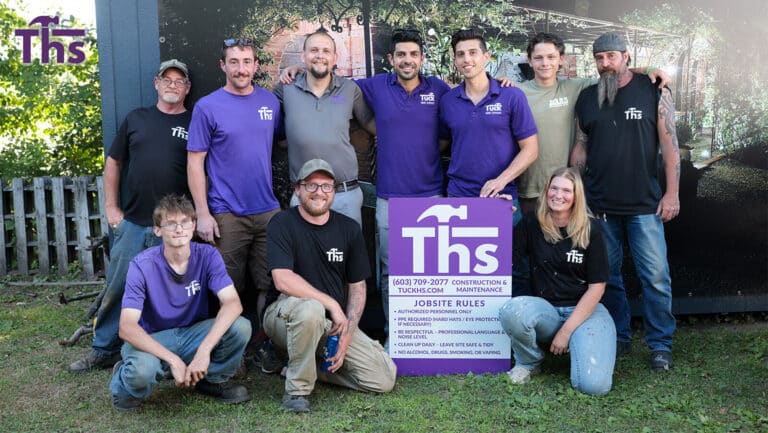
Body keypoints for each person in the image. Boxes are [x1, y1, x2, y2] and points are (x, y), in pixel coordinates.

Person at [68, 59, 192, 373]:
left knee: (171, 292)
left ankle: (161, 355)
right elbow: (113, 163)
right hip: (134, 223)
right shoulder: (136, 118)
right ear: (156, 83)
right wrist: (112, 210)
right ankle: (103, 349)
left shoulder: (195, 122)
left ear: (187, 88)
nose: (173, 85)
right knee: (118, 287)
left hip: (175, 228)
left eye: (179, 81)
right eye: (167, 79)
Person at [571, 32, 680, 372]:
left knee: (656, 278)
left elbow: (670, 145)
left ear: (626, 57)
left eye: (611, 57)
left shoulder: (653, 91)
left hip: (644, 207)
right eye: (599, 58)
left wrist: (672, 193)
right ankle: (619, 337)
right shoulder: (588, 97)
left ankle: (660, 344)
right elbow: (580, 146)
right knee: (610, 278)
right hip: (600, 207)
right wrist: (577, 192)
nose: (605, 63)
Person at [263, 159, 396, 413]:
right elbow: (282, 279)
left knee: (384, 377)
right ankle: (297, 392)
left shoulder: (349, 229)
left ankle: (292, 365)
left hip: (329, 325)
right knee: (311, 310)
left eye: (326, 186)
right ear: (298, 190)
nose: (319, 192)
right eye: (311, 185)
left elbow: (357, 287)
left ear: (334, 191)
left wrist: (347, 333)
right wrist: (331, 303)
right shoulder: (282, 223)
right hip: (284, 316)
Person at [187, 38, 282, 371]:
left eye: (247, 61)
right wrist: (202, 213)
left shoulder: (270, 102)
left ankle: (262, 345)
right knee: (227, 287)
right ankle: (229, 351)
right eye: (234, 61)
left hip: (268, 209)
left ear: (256, 65)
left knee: (268, 284)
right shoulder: (207, 107)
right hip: (225, 212)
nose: (242, 68)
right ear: (223, 66)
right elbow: (195, 162)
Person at [109, 194, 252, 411]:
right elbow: (127, 327)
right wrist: (174, 360)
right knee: (141, 372)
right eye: (171, 223)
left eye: (185, 222)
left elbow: (232, 303)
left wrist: (204, 351)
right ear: (158, 230)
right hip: (153, 337)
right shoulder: (142, 265)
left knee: (240, 326)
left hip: (192, 334)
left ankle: (211, 379)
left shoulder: (208, 255)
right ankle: (124, 381)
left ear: (194, 226)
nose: (179, 229)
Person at [517, 33, 671, 214]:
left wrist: (647, 69)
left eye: (551, 57)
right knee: (527, 240)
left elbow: (615, 73)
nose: (545, 63)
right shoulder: (515, 93)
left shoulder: (576, 87)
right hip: (528, 189)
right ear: (529, 60)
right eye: (538, 58)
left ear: (561, 59)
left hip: (564, 190)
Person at [439, 28, 538, 296]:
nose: (466, 59)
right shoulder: (448, 101)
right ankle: (473, 334)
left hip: (502, 197)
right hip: (459, 196)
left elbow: (530, 149)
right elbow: (442, 144)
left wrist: (501, 180)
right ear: (455, 60)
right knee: (464, 269)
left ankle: (516, 334)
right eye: (460, 54)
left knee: (511, 268)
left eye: (473, 53)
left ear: (486, 56)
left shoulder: (511, 96)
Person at [498, 167, 615, 395]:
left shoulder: (592, 229)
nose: (558, 195)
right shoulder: (532, 223)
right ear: (546, 190)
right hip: (547, 311)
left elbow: (597, 287)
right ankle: (529, 362)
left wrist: (567, 332)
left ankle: (582, 346)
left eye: (566, 190)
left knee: (593, 387)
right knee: (512, 311)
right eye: (554, 188)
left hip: (585, 313)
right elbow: (503, 259)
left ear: (576, 196)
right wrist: (502, 216)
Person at [273, 29, 375, 226]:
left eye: (326, 51)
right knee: (305, 257)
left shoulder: (349, 89)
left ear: (335, 57)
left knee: (346, 256)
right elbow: (264, 118)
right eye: (314, 50)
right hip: (305, 196)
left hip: (344, 195)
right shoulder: (286, 88)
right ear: (303, 56)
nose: (320, 56)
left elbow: (370, 124)